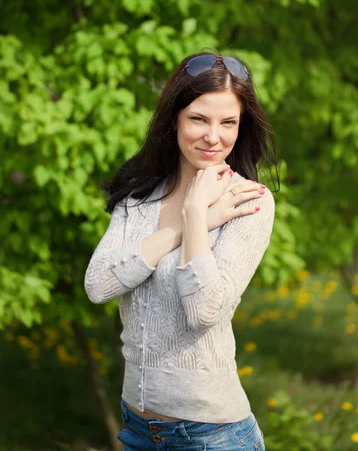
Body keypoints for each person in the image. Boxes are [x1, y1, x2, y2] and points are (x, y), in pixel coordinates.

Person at [84, 50, 279, 450]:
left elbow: (204, 312)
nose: (213, 136)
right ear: (174, 118)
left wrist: (194, 214)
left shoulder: (248, 201)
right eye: (198, 119)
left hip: (213, 436)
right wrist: (188, 224)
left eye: (228, 122)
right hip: (137, 429)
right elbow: (98, 285)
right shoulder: (137, 198)